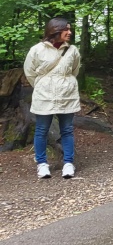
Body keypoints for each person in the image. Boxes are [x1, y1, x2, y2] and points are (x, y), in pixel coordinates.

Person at [23, 18, 82, 179]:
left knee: (67, 130)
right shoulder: (37, 50)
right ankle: (42, 164)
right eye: (66, 30)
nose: (70, 32)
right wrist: (44, 85)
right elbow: (30, 72)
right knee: (41, 130)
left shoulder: (72, 50)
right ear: (55, 30)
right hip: (44, 95)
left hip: (66, 95)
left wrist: (64, 83)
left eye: (70, 29)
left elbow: (74, 71)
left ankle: (68, 163)